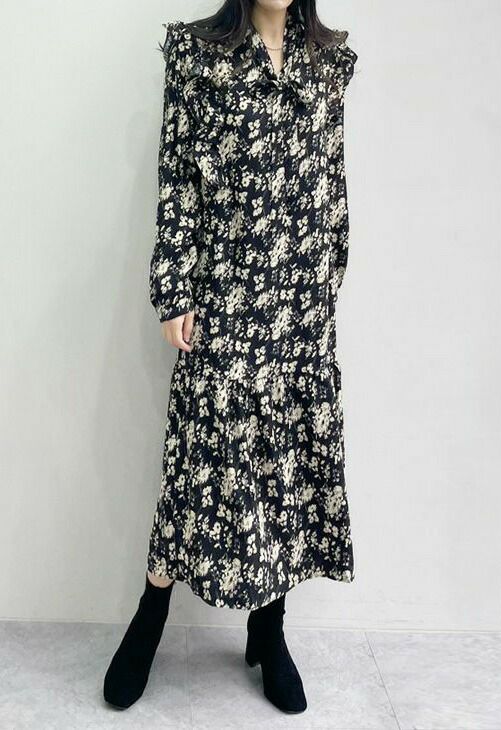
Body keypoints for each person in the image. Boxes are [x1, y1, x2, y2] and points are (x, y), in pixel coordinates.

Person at [103, 0, 358, 714]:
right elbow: (179, 180)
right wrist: (174, 289)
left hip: (300, 304)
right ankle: (151, 614)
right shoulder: (198, 55)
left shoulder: (328, 63)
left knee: (284, 465)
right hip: (224, 293)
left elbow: (333, 179)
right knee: (198, 462)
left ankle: (268, 631)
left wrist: (331, 272)